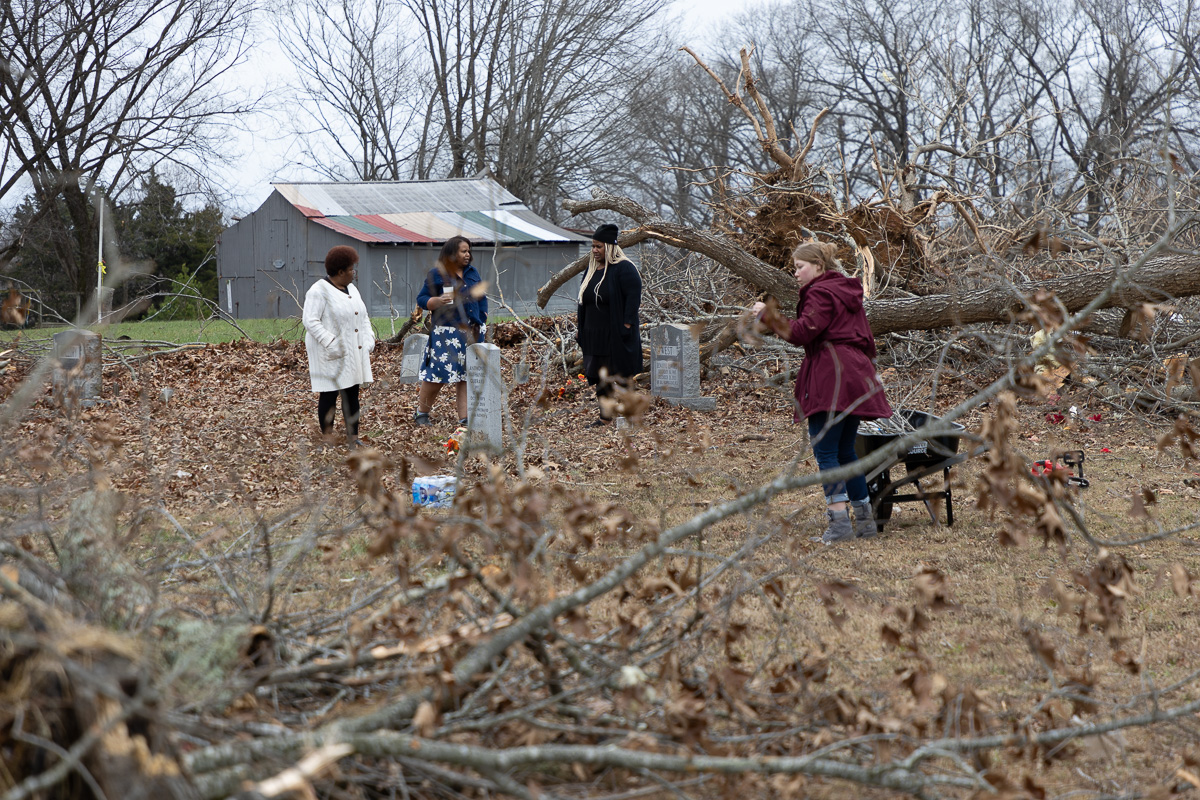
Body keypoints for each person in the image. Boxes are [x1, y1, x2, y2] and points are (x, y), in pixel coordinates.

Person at [753, 241, 892, 544]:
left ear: (818, 266)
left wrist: (769, 315)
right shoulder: (844, 291)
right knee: (845, 451)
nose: (796, 274)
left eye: (799, 267)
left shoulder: (820, 292)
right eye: (794, 269)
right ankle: (866, 522)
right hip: (855, 374)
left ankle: (840, 525)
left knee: (826, 451)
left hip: (832, 375)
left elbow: (802, 333)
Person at [303, 245, 375, 448]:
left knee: (352, 394)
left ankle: (353, 439)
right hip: (329, 353)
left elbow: (363, 316)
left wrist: (368, 338)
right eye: (352, 269)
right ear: (340, 271)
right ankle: (327, 439)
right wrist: (331, 342)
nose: (354, 273)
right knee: (329, 394)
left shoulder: (351, 289)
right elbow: (310, 321)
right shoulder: (318, 291)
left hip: (353, 351)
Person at [413, 236, 488, 426]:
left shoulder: (472, 272)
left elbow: (481, 296)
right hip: (446, 333)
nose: (468, 254)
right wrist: (435, 302)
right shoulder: (437, 274)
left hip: (472, 331)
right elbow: (422, 298)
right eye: (464, 251)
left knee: (466, 374)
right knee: (437, 375)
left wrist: (483, 315)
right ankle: (421, 413)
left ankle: (464, 418)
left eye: (469, 251)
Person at [576, 223, 643, 426]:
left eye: (599, 246)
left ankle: (631, 415)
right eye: (593, 246)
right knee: (600, 377)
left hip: (616, 333)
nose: (595, 250)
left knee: (623, 375)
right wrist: (581, 330)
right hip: (594, 333)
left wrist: (627, 326)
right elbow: (584, 302)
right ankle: (605, 417)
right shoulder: (591, 269)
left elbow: (633, 297)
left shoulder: (624, 268)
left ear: (610, 247)